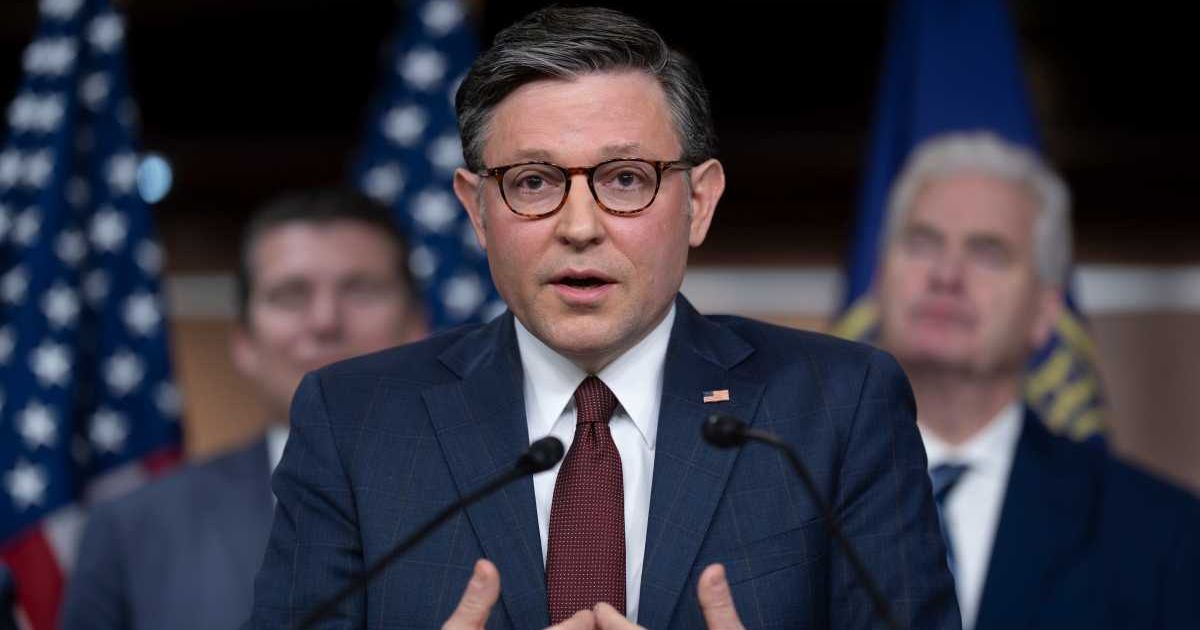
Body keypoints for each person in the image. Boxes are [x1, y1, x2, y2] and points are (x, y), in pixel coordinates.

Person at [251, 7, 959, 629]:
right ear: (476, 210)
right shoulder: (354, 422)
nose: (580, 226)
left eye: (625, 180)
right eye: (533, 182)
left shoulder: (837, 408)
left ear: (699, 202)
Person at [874, 131, 1200, 630]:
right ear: (880, 279)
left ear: (1046, 311)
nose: (946, 274)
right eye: (922, 242)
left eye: (988, 252)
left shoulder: (1162, 534)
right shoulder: (784, 498)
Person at [60, 189, 426, 630]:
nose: (325, 321)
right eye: (291, 295)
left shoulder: (515, 504)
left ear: (418, 327)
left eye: (360, 290)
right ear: (243, 342)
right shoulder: (131, 529)